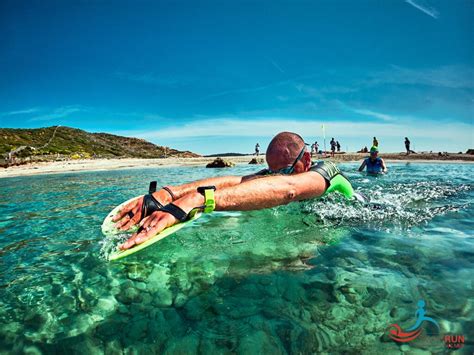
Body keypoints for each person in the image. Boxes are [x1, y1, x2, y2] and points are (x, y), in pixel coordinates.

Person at [114, 132, 355, 250]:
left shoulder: (325, 172)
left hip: (358, 226)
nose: (277, 177)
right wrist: (171, 193)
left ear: (308, 159)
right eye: (272, 172)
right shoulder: (278, 174)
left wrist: (198, 200)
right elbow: (234, 180)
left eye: (283, 171)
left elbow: (289, 189)